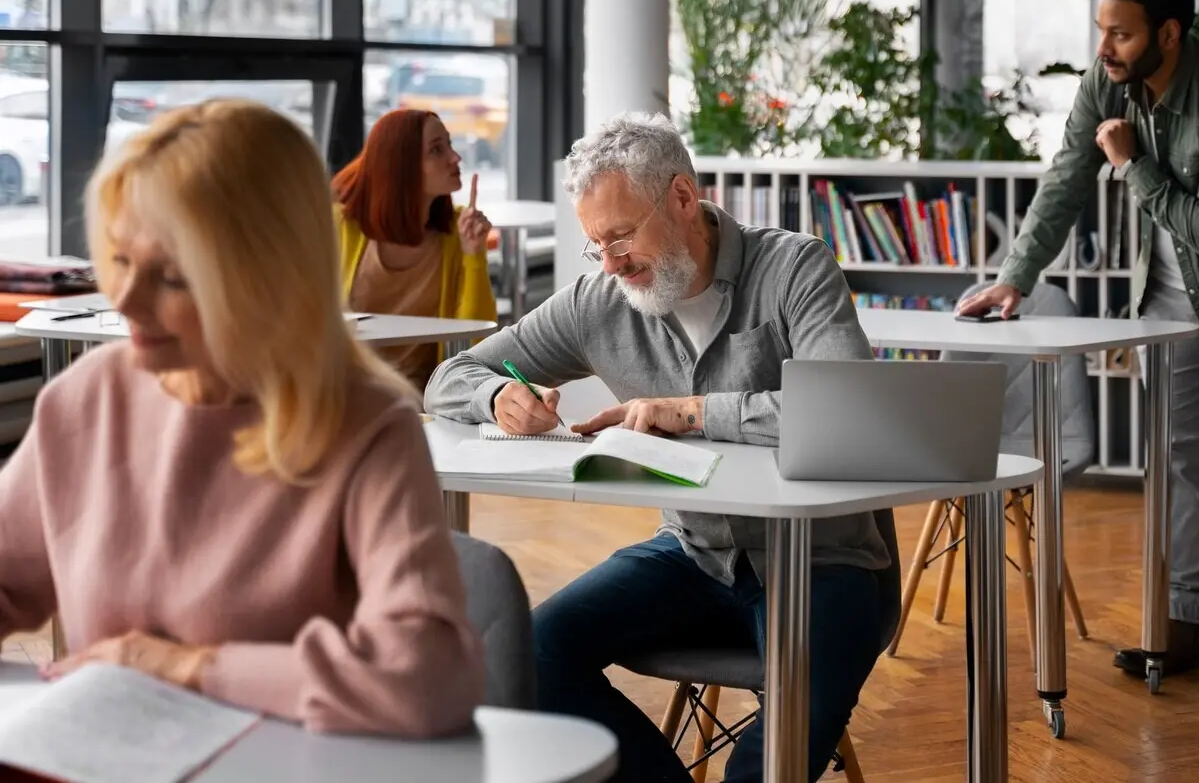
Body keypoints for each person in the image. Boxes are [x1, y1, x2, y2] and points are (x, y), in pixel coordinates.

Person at [424, 111, 891, 783]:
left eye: (620, 236)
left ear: (679, 198)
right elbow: (451, 375)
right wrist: (496, 398)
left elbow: (848, 411)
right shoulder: (598, 301)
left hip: (824, 561)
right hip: (693, 555)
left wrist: (691, 412)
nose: (611, 263)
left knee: (772, 756)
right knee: (532, 651)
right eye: (596, 246)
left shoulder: (794, 267)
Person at [0, 99, 485, 735]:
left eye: (173, 276)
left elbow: (428, 678)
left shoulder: (369, 427)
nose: (126, 302)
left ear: (267, 278)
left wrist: (182, 666)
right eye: (119, 261)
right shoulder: (84, 400)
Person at [958, 0, 1199, 682]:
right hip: (1168, 303)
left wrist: (1132, 165)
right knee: (1175, 457)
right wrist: (1015, 278)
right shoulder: (1108, 82)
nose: (1105, 48)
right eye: (1101, 30)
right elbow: (1067, 177)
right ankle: (1189, 623)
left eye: (1121, 34)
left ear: (1168, 33)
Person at [332, 108, 498, 390]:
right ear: (401, 165)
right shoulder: (340, 226)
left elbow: (475, 343)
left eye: (450, 145)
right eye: (437, 149)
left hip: (422, 398)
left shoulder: (458, 230)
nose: (455, 158)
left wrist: (473, 255)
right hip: (347, 393)